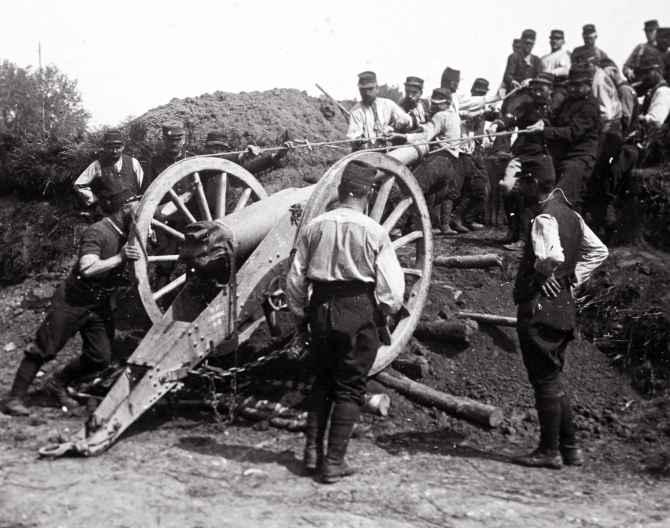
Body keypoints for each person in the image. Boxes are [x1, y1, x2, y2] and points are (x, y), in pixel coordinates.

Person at [286, 159, 405, 483]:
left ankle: (312, 454)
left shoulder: (314, 227)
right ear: (367, 194)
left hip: (321, 309)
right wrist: (383, 310)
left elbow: (295, 280)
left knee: (322, 382)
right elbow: (393, 290)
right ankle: (334, 462)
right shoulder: (374, 231)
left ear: (340, 192)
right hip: (358, 311)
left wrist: (301, 316)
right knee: (350, 387)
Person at [2, 190, 142, 416]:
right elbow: (88, 268)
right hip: (73, 300)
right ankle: (15, 398)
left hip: (99, 304)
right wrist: (120, 258)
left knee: (100, 357)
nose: (142, 208)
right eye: (138, 203)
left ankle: (57, 383)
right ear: (124, 208)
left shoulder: (128, 230)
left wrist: (189, 194)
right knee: (44, 348)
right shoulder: (97, 231)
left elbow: (162, 211)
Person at [510, 155, 608, 469]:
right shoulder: (571, 214)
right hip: (564, 307)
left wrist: (545, 274)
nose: (521, 187)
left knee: (544, 382)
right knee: (552, 378)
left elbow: (550, 255)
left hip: (539, 306)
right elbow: (598, 251)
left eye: (524, 181)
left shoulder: (544, 217)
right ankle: (571, 448)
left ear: (535, 183)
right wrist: (573, 277)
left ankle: (548, 451)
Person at [526, 65, 601, 211]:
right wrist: (543, 122)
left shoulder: (590, 106)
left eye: (578, 85)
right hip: (561, 156)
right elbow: (553, 117)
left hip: (579, 158)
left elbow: (572, 133)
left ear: (588, 85)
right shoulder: (568, 102)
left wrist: (544, 130)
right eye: (571, 85)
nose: (573, 89)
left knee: (560, 198)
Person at [495, 73, 555, 250]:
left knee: (535, 197)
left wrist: (544, 124)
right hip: (521, 156)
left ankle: (524, 238)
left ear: (549, 90)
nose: (537, 92)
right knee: (507, 188)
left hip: (541, 158)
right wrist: (499, 123)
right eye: (534, 89)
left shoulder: (555, 108)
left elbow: (560, 126)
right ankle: (513, 231)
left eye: (541, 89)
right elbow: (512, 120)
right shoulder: (527, 106)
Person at [74, 130, 144, 213]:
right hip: (110, 212)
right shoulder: (97, 165)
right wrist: (94, 201)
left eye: (118, 148)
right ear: (105, 148)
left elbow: (142, 185)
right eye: (111, 148)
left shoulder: (133, 162)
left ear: (123, 147)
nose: (114, 151)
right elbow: (79, 184)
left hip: (134, 209)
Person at [346, 71, 412, 150]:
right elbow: (353, 136)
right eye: (362, 90)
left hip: (388, 149)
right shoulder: (356, 111)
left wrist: (393, 129)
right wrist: (359, 141)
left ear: (377, 88)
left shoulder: (388, 104)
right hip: (367, 152)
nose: (366, 93)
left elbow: (406, 120)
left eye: (370, 89)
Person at [502, 29, 542, 94]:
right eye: (527, 43)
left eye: (531, 44)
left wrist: (530, 81)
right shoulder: (514, 57)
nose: (529, 46)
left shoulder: (537, 60)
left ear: (534, 44)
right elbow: (507, 76)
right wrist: (513, 82)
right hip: (515, 92)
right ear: (521, 42)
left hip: (531, 93)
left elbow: (539, 76)